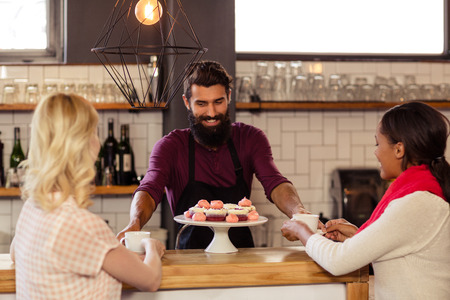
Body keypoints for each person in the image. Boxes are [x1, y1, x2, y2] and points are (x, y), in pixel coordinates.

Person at [118, 60, 310, 249]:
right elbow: (150, 188)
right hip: (189, 262)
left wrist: (298, 212)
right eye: (201, 103)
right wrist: (135, 222)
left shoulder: (251, 138)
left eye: (218, 102)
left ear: (229, 96)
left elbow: (275, 183)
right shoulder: (170, 147)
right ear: (187, 102)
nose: (211, 112)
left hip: (242, 258)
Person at [281, 101, 450, 299]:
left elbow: (338, 261)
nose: (376, 152)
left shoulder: (416, 202)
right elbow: (402, 244)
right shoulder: (423, 191)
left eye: (378, 143)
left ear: (399, 149)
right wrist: (358, 236)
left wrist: (302, 231)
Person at [10, 93, 165, 299]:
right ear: (81, 145)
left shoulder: (33, 207)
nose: (98, 143)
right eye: (94, 132)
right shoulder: (80, 224)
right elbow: (150, 279)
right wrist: (151, 246)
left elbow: (14, 253)